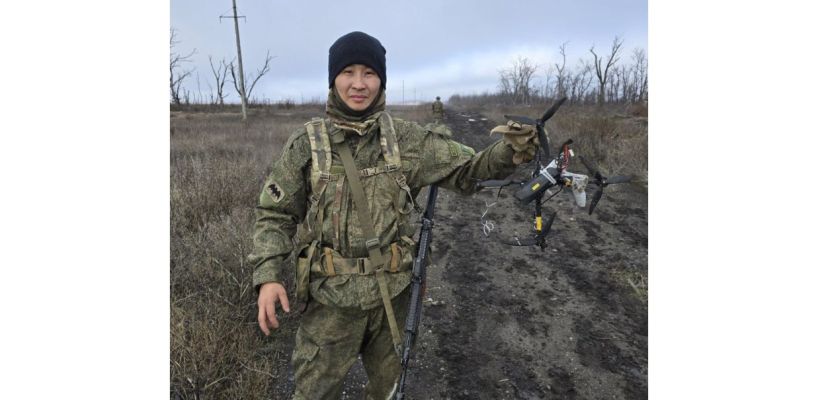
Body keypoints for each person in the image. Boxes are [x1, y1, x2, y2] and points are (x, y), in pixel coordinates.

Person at [250, 31, 540, 400]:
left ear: (381, 80)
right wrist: (268, 275)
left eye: (369, 73)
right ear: (332, 78)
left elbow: (469, 168)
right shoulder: (307, 144)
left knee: (389, 390)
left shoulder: (407, 140)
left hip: (394, 298)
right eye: (348, 72)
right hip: (330, 306)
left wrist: (509, 150)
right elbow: (274, 213)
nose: (359, 84)